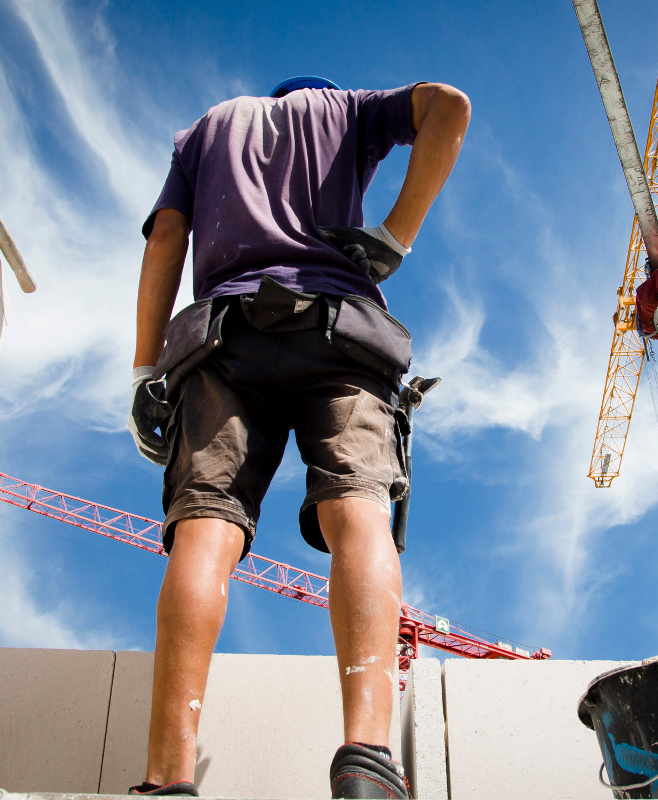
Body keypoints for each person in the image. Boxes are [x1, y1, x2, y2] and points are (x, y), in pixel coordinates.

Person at [128, 75, 470, 798]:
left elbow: (166, 238)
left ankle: (167, 777)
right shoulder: (347, 110)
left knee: (203, 530)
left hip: (223, 341)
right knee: (358, 512)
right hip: (340, 334)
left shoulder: (209, 128)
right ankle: (367, 758)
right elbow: (450, 107)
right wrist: (393, 238)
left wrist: (143, 372)